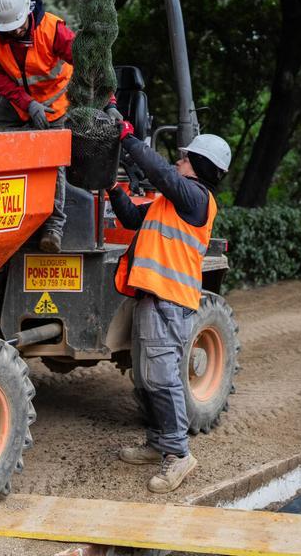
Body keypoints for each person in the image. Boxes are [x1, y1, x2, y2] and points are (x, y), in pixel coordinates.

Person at [106, 124, 231, 493]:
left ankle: (179, 454)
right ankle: (159, 442)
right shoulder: (170, 204)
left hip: (169, 300)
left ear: (199, 167)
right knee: (146, 378)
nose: (178, 161)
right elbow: (131, 218)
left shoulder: (195, 198)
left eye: (184, 157)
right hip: (152, 297)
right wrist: (113, 190)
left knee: (162, 379)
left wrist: (127, 138)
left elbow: (159, 172)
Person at [0, 0, 121, 252]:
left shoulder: (53, 31)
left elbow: (91, 66)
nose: (14, 32)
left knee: (52, 158)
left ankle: (53, 228)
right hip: (17, 99)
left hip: (57, 101)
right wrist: (26, 103)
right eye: (7, 30)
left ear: (27, 14)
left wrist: (108, 102)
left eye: (17, 26)